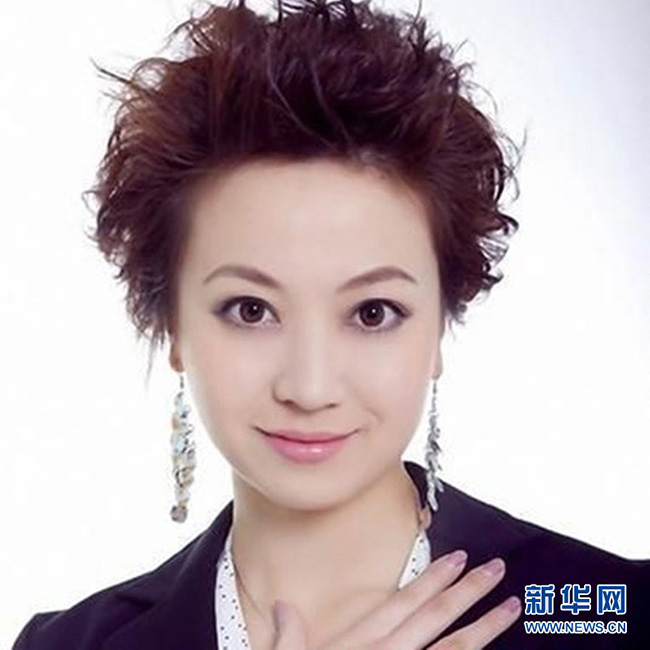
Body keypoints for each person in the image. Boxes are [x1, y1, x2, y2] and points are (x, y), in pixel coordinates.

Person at [12, 0, 649, 648]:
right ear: (171, 325)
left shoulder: (613, 612)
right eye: (251, 310)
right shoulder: (67, 644)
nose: (310, 388)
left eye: (372, 313)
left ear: (440, 326)